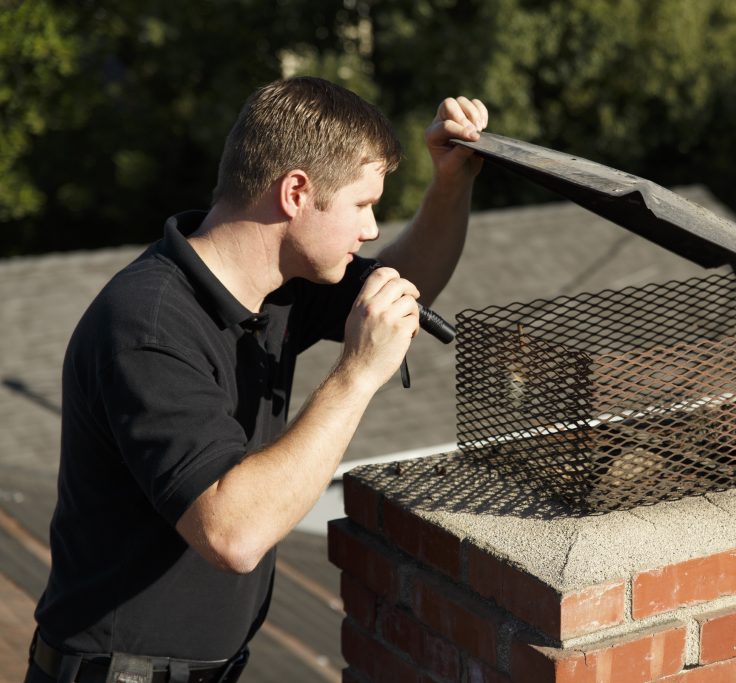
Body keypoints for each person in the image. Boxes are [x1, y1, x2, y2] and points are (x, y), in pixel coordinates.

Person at [25, 76, 488, 683]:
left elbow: (402, 283)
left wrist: (452, 184)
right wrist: (356, 376)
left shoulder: (279, 283)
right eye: (361, 204)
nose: (371, 229)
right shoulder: (149, 325)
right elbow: (233, 533)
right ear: (296, 192)